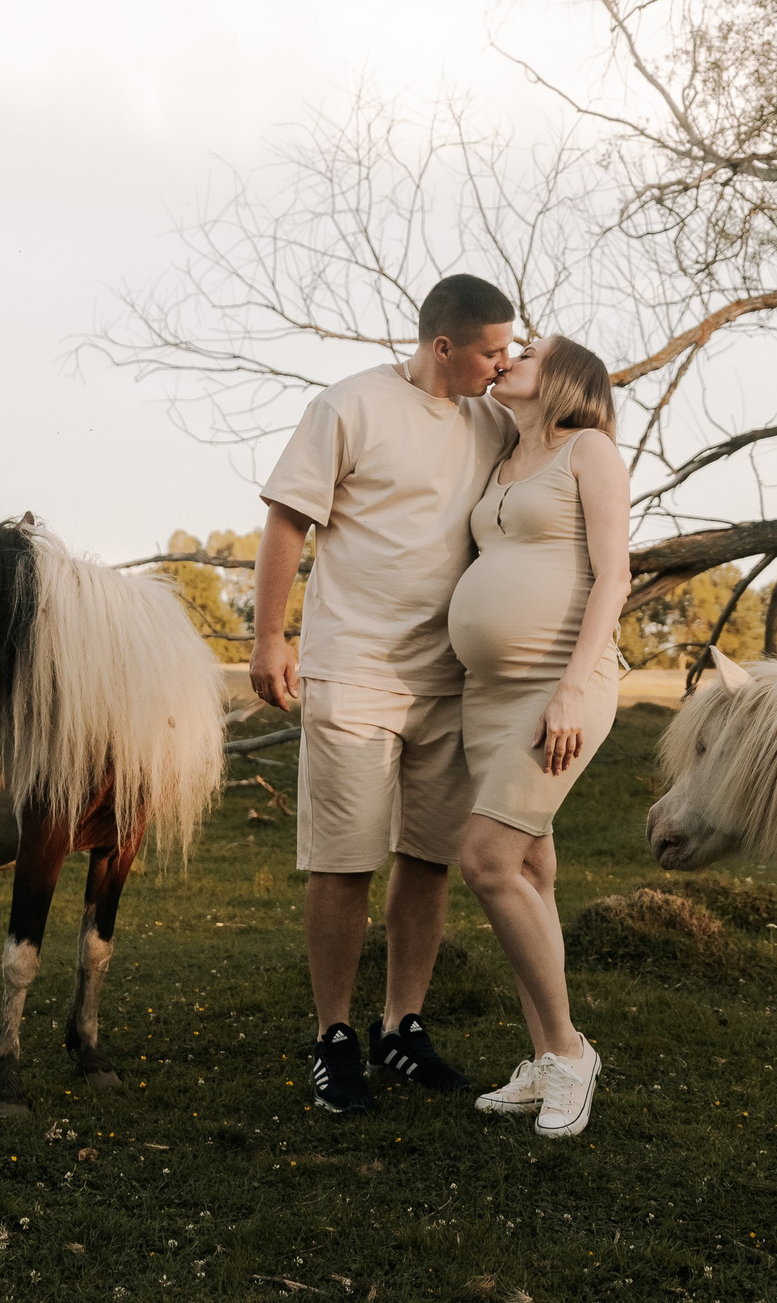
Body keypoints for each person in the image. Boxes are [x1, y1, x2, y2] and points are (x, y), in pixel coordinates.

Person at [252, 275, 518, 1114]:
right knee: (344, 860)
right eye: (491, 351)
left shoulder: (497, 422)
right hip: (355, 668)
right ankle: (334, 1038)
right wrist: (268, 637)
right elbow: (288, 522)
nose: (502, 364)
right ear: (444, 346)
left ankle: (401, 1027)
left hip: (451, 678)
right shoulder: (348, 407)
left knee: (430, 860)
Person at [447, 335, 628, 1139]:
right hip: (487, 696)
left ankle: (568, 1053)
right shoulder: (501, 461)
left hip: (560, 684)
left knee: (486, 861)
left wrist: (570, 691)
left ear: (564, 377)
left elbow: (614, 574)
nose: (509, 355)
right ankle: (546, 1057)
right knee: (530, 869)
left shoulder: (589, 450)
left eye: (529, 349)